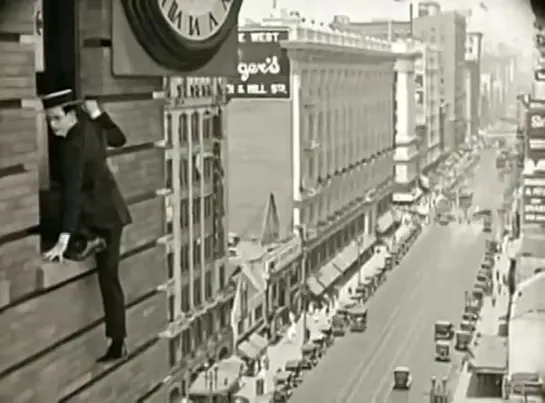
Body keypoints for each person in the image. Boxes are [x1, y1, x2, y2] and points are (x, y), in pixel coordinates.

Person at [40, 89, 132, 362]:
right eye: (48, 120)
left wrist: (64, 238)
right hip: (114, 213)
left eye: (56, 118)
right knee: (110, 278)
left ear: (71, 114)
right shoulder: (92, 126)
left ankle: (86, 239)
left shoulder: (72, 146)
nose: (52, 126)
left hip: (96, 215)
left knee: (53, 202)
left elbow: (73, 192)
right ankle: (118, 343)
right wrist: (99, 114)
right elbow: (120, 139)